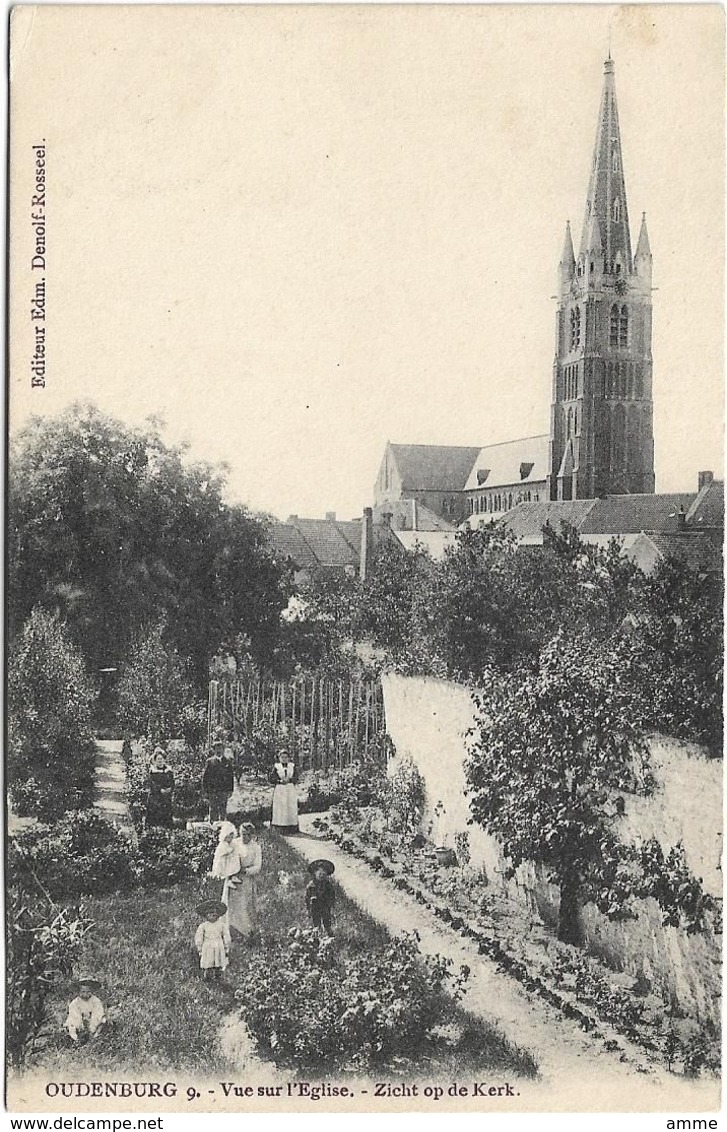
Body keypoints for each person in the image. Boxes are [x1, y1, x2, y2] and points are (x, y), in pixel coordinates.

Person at [194, 899, 230, 982]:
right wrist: (199, 948)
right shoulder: (203, 926)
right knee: (208, 962)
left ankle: (218, 976)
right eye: (210, 914)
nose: (213, 915)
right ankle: (207, 977)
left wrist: (226, 947)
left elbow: (226, 936)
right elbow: (199, 937)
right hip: (208, 946)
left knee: (218, 961)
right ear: (206, 915)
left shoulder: (221, 925)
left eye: (215, 914)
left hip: (218, 945)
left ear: (218, 915)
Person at [202, 737, 234, 823]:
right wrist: (205, 791)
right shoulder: (210, 762)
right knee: (213, 810)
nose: (218, 750)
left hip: (223, 791)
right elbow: (205, 778)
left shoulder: (227, 762)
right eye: (216, 748)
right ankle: (213, 828)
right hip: (213, 791)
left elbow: (230, 777)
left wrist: (230, 790)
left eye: (220, 748)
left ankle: (222, 828)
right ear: (213, 750)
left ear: (223, 749)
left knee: (223, 810)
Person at [65, 977, 106, 1042]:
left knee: (103, 1021)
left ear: (91, 991)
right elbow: (75, 1017)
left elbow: (98, 1015)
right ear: (79, 992)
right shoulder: (75, 1003)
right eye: (83, 992)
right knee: (71, 1025)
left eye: (88, 992)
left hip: (93, 1027)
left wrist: (92, 1029)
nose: (85, 994)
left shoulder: (96, 1001)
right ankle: (76, 1040)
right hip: (79, 1028)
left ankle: (95, 1038)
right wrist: (80, 1028)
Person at [305, 859, 336, 936]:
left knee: (326, 918)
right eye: (319, 873)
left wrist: (331, 902)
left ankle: (328, 931)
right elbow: (307, 897)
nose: (321, 875)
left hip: (325, 904)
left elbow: (332, 895)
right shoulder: (312, 885)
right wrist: (308, 906)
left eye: (324, 873)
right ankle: (316, 930)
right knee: (315, 918)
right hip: (315, 906)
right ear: (315, 874)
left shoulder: (328, 885)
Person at [145, 747, 174, 828]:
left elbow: (172, 782)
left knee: (166, 817)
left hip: (166, 798)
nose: (160, 761)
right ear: (155, 760)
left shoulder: (168, 771)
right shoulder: (153, 772)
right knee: (155, 817)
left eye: (161, 759)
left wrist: (170, 789)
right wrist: (160, 790)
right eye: (158, 759)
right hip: (155, 798)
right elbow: (152, 784)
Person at [270, 757, 299, 833]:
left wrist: (290, 780)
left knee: (290, 806)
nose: (284, 759)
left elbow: (296, 777)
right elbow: (271, 779)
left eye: (286, 757)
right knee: (281, 807)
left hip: (290, 789)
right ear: (279, 758)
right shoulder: (276, 767)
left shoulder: (292, 766)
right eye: (282, 757)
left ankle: (292, 827)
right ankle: (280, 827)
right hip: (280, 789)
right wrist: (279, 781)